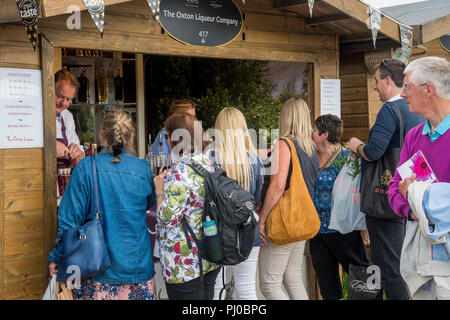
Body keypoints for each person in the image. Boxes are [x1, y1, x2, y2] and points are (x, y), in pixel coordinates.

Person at [48, 110, 157, 300]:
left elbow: (68, 220)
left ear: (101, 134)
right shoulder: (143, 169)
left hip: (96, 272)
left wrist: (58, 255)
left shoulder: (86, 167)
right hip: (138, 271)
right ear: (131, 136)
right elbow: (148, 203)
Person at [345, 58, 424, 300]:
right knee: (397, 264)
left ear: (388, 80)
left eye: (376, 81)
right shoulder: (417, 111)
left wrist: (357, 146)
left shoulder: (391, 109)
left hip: (386, 199)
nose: (374, 87)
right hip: (412, 197)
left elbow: (373, 152)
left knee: (389, 268)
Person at [388, 56, 450, 299]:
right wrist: (414, 209)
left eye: (406, 87)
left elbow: (409, 191)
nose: (402, 94)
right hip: (421, 259)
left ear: (428, 90)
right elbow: (395, 189)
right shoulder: (414, 136)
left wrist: (420, 196)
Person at [257, 97, 319, 300]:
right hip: (301, 222)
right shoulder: (310, 148)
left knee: (269, 284)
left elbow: (278, 186)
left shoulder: (284, 145)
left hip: (283, 223)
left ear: (286, 117)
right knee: (292, 277)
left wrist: (263, 219)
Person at [154, 112, 220, 300]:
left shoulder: (180, 170)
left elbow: (167, 217)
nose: (166, 140)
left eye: (167, 135)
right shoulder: (207, 163)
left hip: (184, 264)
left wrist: (159, 190)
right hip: (208, 254)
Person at [310, 114, 370, 300]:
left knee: (363, 281)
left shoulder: (348, 158)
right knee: (327, 287)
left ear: (324, 135)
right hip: (317, 232)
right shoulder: (309, 159)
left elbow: (359, 192)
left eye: (313, 131)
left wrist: (363, 225)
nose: (309, 134)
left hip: (344, 230)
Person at [211, 107, 263, 300]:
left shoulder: (211, 159)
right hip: (248, 230)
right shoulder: (254, 160)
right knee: (247, 290)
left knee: (217, 288)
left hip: (217, 233)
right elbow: (255, 198)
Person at [55, 69, 84, 169]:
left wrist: (77, 154)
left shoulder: (67, 116)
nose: (63, 103)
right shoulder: (35, 114)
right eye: (60, 96)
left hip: (64, 180)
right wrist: (50, 146)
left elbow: (76, 144)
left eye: (68, 99)